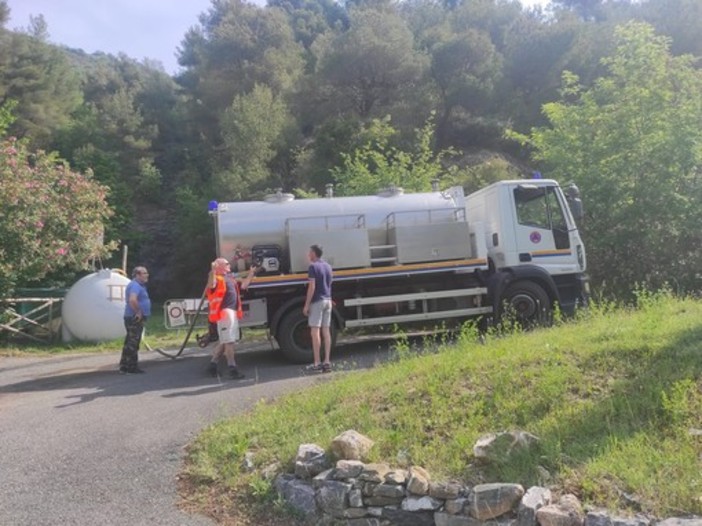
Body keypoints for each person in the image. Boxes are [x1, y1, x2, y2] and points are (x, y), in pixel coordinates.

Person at [206, 258, 257, 379]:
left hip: (231, 313)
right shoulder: (216, 278)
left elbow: (244, 285)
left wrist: (251, 273)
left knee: (226, 341)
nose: (229, 265)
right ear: (219, 266)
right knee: (228, 342)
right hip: (225, 313)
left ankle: (212, 366)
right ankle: (232, 369)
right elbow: (211, 285)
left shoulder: (230, 278)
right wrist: (212, 270)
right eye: (227, 264)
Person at [302, 244, 333, 373]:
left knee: (315, 332)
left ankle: (317, 363)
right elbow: (330, 283)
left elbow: (312, 287)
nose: (308, 255)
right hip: (328, 300)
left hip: (317, 302)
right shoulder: (328, 266)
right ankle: (327, 362)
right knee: (326, 331)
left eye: (310, 252)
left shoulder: (313, 267)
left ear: (314, 253)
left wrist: (306, 305)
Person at [119, 266, 151, 374]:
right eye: (144, 273)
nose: (147, 275)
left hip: (132, 317)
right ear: (137, 275)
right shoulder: (135, 286)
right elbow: (132, 299)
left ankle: (124, 366)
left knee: (129, 342)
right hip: (134, 317)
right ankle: (131, 367)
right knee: (133, 343)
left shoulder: (137, 285)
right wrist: (138, 311)